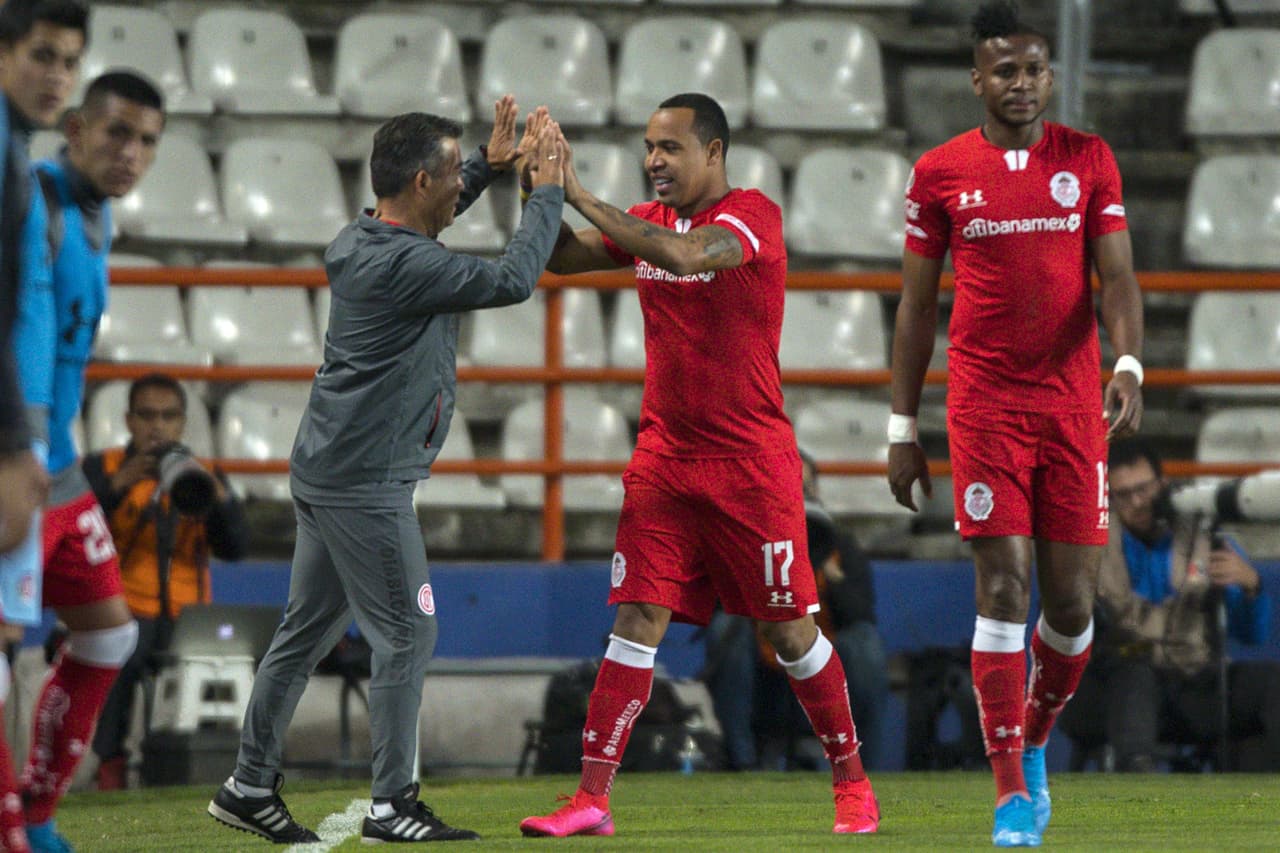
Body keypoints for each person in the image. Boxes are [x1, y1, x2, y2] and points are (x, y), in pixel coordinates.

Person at [519, 93, 879, 839]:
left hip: (752, 466)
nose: (654, 160)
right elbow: (555, 258)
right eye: (649, 146)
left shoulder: (753, 218)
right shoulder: (647, 224)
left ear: (713, 153)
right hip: (666, 461)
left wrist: (580, 192)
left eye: (670, 147)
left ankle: (852, 780)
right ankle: (591, 797)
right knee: (636, 617)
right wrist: (534, 182)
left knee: (789, 633)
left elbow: (688, 255)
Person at [206, 100, 566, 845]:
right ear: (424, 178)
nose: (454, 185)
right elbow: (512, 280)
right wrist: (546, 190)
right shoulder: (409, 263)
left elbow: (429, 213)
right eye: (451, 171)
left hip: (331, 467)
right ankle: (393, 803)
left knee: (304, 634)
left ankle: (247, 783)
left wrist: (488, 170)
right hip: (365, 482)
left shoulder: (362, 237)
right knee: (409, 632)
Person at [887, 1, 1144, 847]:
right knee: (1003, 586)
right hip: (987, 407)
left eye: (1035, 69)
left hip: (1072, 409)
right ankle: (1008, 797)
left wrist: (1128, 362)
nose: (1023, 84)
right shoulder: (940, 173)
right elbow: (917, 307)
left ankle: (1033, 738)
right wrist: (900, 425)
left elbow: (1118, 279)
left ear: (1048, 74)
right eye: (1006, 71)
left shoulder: (1088, 159)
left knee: (1070, 610)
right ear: (977, 79)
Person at [11, 68, 164, 852]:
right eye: (116, 133)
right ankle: (12, 825)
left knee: (108, 635)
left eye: (145, 141)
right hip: (16, 459)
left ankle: (36, 808)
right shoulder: (30, 199)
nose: (130, 152)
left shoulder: (96, 215)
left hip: (61, 468)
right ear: (74, 129)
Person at [1057, 438, 1280, 771]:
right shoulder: (1087, 548)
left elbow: (1252, 635)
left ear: (1163, 484)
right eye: (1124, 495)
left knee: (1272, 684)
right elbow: (1063, 639)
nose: (1137, 502)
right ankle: (1140, 783)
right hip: (1115, 689)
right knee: (1134, 671)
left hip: (1193, 682)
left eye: (1144, 489)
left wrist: (1251, 587)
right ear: (1109, 498)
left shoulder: (1208, 537)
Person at [83, 373, 249, 790]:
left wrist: (217, 499)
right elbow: (73, 533)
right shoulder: (101, 468)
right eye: (147, 416)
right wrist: (117, 487)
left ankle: (198, 770)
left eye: (168, 417)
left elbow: (236, 548)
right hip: (124, 612)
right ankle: (112, 766)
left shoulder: (206, 474)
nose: (157, 427)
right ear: (128, 420)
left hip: (188, 617)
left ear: (182, 423)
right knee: (119, 649)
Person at [705, 448, 888, 772]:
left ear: (815, 491)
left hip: (827, 647)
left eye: (803, 489)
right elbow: (720, 603)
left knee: (866, 645)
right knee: (725, 630)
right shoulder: (744, 536)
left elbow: (861, 613)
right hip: (763, 653)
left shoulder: (839, 544)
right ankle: (742, 764)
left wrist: (828, 574)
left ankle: (866, 765)